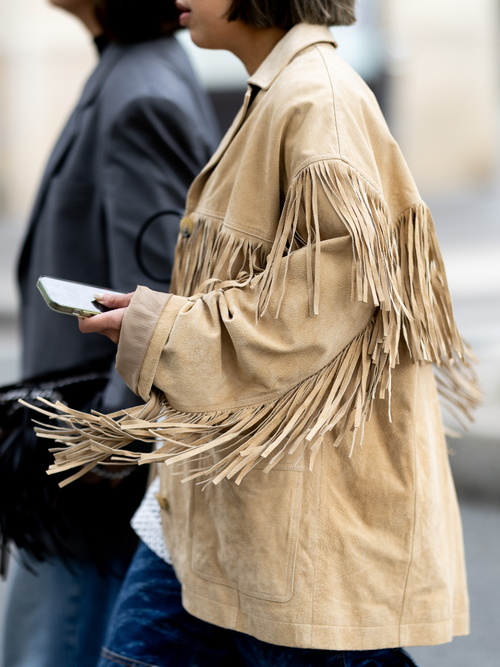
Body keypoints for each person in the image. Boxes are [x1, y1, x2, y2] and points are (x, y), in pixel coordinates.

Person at [37, 0, 481, 665]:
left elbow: (326, 299)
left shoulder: (317, 101)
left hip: (292, 522)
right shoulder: (278, 92)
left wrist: (164, 328)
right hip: (215, 508)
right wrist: (156, 311)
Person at [1, 1, 218, 666]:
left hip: (91, 471)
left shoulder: (138, 95)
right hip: (81, 460)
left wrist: (109, 439)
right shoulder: (127, 73)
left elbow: (162, 293)